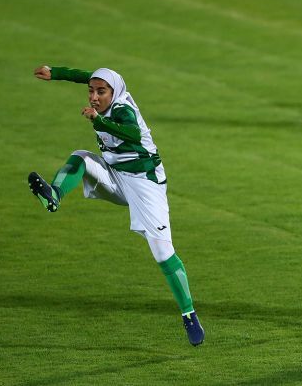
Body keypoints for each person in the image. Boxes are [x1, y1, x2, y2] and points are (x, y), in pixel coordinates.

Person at [28, 66, 205, 346]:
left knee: (162, 252)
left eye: (101, 92)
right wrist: (56, 73)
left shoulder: (123, 110)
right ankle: (54, 195)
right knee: (81, 157)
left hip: (145, 184)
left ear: (114, 92)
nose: (94, 97)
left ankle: (189, 315)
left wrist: (98, 120)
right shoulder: (104, 94)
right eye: (91, 92)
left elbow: (132, 134)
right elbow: (85, 76)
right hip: (116, 177)